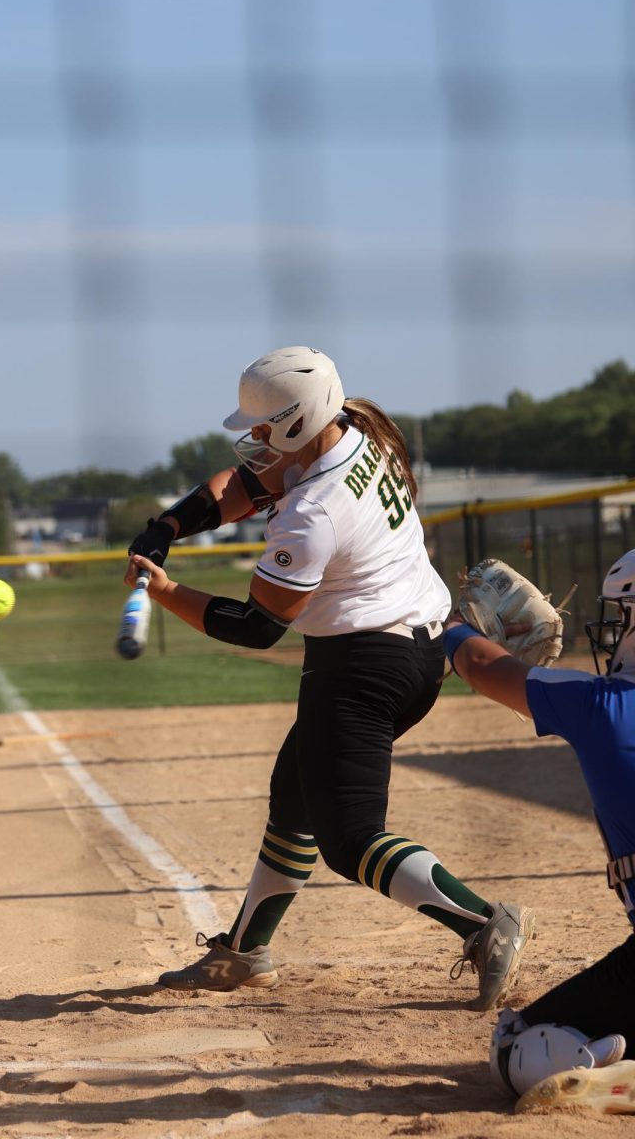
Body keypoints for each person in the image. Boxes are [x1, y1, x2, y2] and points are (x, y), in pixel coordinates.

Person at [125, 346, 535, 1012]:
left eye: (263, 428)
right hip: (412, 648)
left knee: (349, 838)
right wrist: (169, 525)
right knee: (295, 793)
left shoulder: (314, 510)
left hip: (364, 667)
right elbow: (246, 483)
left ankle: (484, 925)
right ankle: (245, 952)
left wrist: (167, 591)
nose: (254, 440)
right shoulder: (354, 433)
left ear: (296, 422)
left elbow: (258, 626)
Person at [443, 549, 635, 1114]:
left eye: (623, 615)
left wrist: (445, 623)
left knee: (516, 1048)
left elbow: (482, 665)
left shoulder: (601, 705)